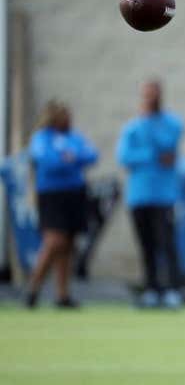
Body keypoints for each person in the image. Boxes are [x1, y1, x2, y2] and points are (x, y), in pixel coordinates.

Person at [116, 80, 184, 309]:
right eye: (146, 94)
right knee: (146, 246)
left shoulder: (171, 123)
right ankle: (151, 289)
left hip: (164, 196)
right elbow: (125, 157)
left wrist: (149, 143)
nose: (150, 98)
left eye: (153, 94)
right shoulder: (133, 127)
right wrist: (150, 155)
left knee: (166, 243)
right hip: (139, 196)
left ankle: (172, 289)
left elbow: (167, 145)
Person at [26, 100, 99, 308]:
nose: (69, 119)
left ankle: (63, 295)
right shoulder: (41, 138)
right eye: (64, 115)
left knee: (68, 245)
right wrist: (68, 159)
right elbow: (46, 160)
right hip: (52, 194)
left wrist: (72, 157)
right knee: (54, 241)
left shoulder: (74, 137)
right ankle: (33, 288)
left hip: (74, 193)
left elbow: (91, 155)